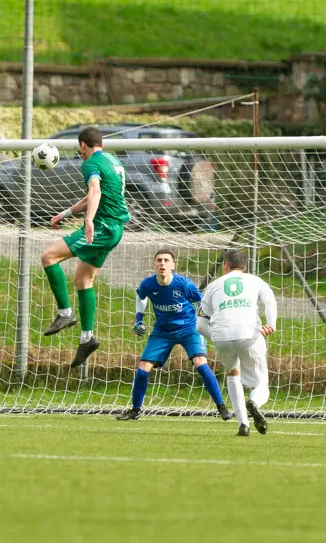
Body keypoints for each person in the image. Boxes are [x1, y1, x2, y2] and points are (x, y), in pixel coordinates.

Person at [41, 126, 130, 368]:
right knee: (83, 280)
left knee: (48, 257)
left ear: (83, 145)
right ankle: (87, 338)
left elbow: (95, 191)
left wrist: (89, 220)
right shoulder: (112, 160)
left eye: (79, 149)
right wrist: (66, 213)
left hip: (102, 227)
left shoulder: (89, 164)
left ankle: (65, 313)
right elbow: (92, 195)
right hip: (115, 229)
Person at [115, 249, 233, 422]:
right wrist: (139, 319)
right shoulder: (148, 284)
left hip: (189, 329)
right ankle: (135, 410)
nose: (162, 263)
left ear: (173, 265)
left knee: (200, 362)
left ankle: (221, 407)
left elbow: (201, 301)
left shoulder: (184, 284)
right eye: (159, 260)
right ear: (154, 265)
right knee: (142, 368)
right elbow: (141, 297)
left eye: (166, 260)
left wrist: (206, 320)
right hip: (162, 331)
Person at [198, 248, 277, 437]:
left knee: (233, 372)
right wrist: (271, 324)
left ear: (225, 265)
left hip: (221, 337)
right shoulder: (256, 280)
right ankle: (254, 403)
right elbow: (270, 300)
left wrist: (216, 336)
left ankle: (243, 424)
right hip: (248, 334)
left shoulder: (213, 286)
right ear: (245, 266)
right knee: (261, 385)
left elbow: (199, 325)